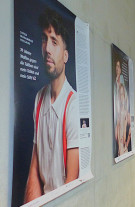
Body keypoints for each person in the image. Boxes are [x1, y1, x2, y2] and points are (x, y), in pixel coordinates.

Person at [25, 8, 79, 203]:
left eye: (54, 41)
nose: (47, 48)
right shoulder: (39, 98)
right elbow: (34, 167)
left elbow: (71, 184)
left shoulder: (73, 105)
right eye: (45, 39)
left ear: (65, 56)